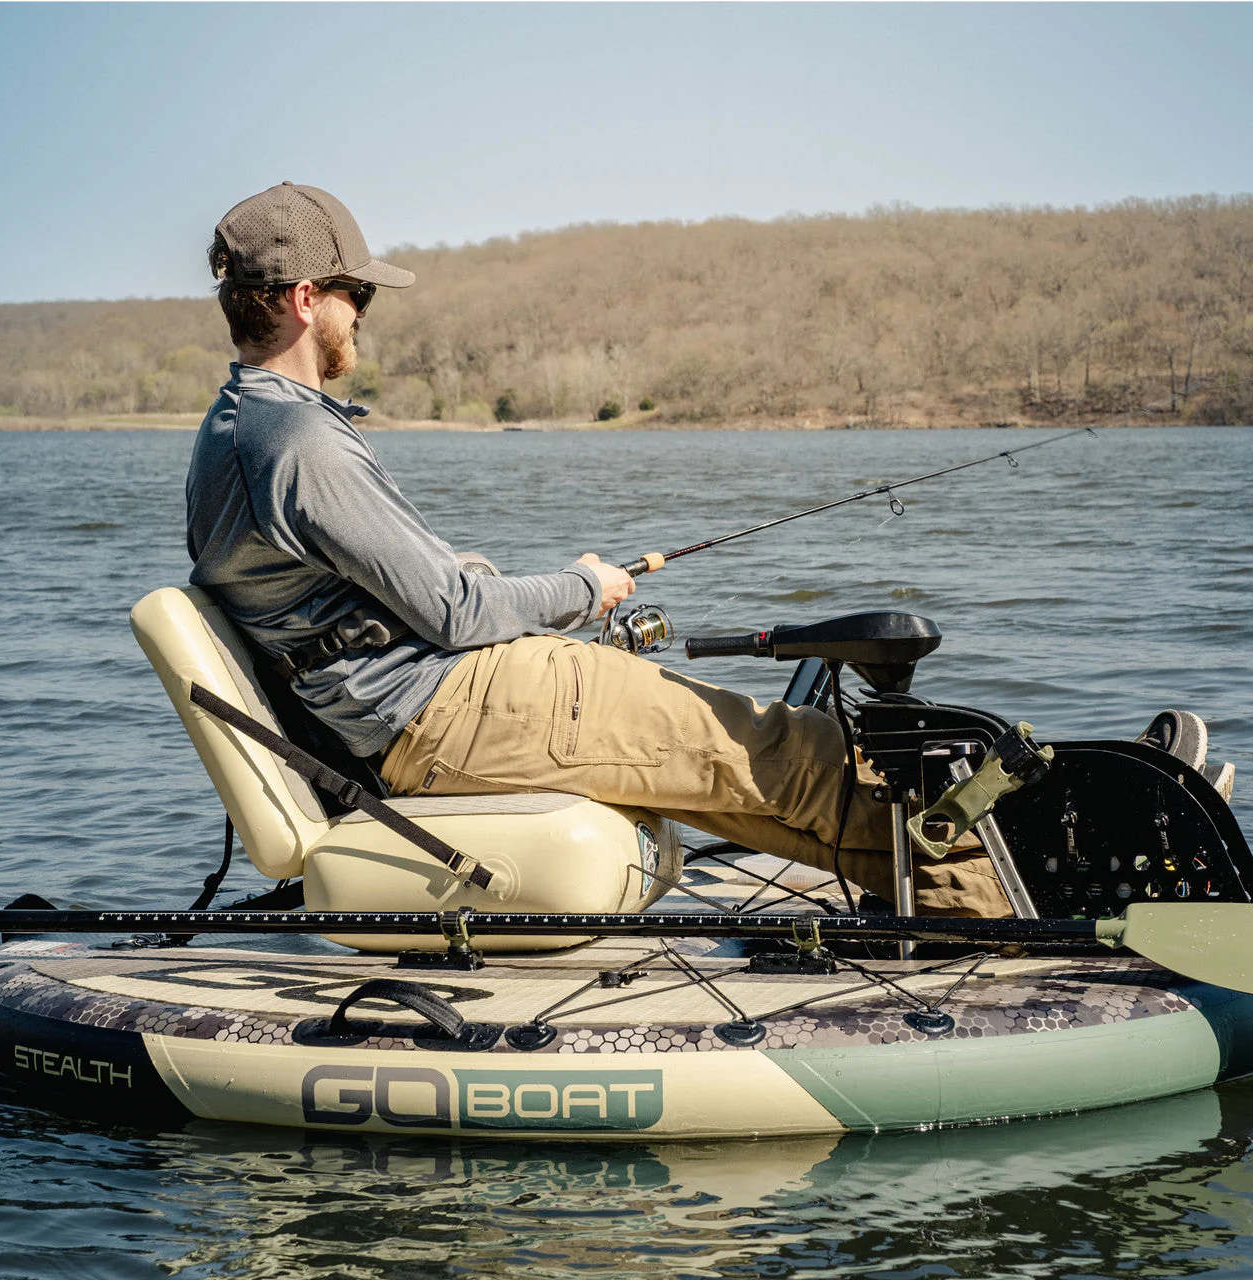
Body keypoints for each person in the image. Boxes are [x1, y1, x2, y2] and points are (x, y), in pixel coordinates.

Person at [187, 181, 1012, 917]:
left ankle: (951, 910)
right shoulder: (301, 442)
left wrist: (483, 580)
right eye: (356, 292)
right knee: (793, 753)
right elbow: (457, 613)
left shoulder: (235, 429)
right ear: (305, 299)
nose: (363, 312)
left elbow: (376, 592)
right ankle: (1012, 918)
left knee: (748, 792)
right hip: (447, 707)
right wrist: (582, 586)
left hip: (418, 711)